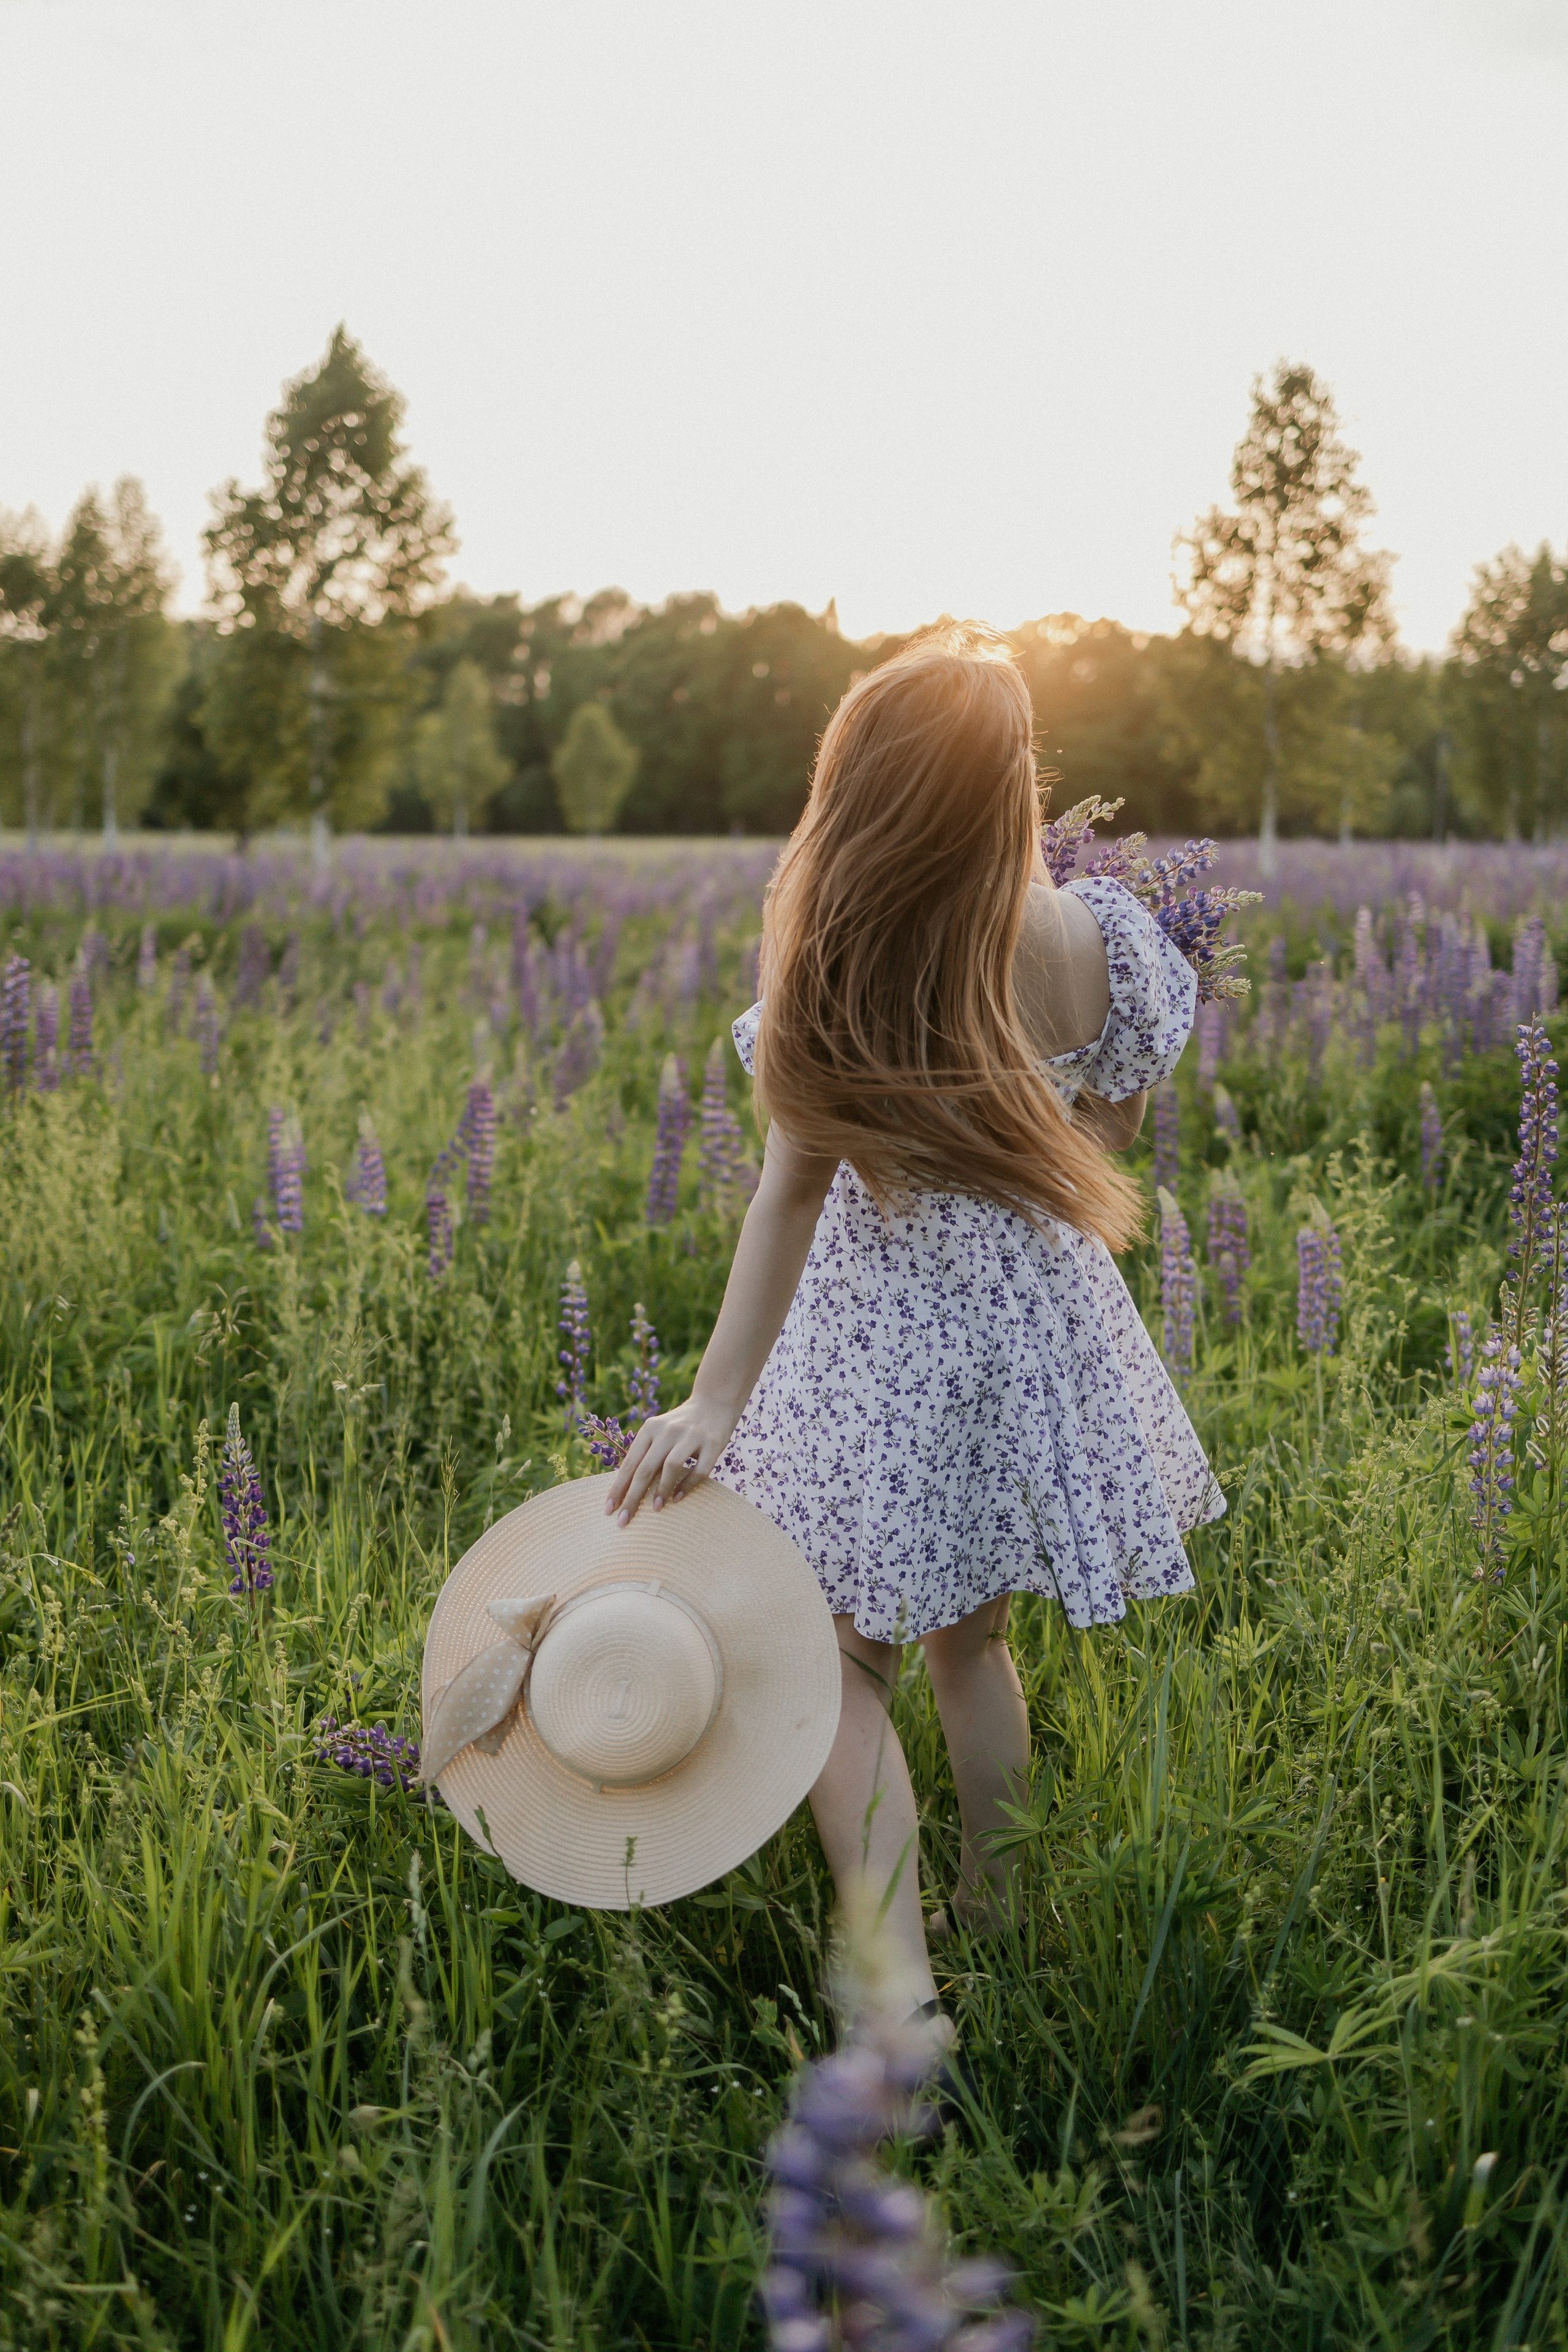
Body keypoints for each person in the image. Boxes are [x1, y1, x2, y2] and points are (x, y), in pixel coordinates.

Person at [605, 625, 1222, 2015]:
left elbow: (787, 1196)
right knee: (973, 1645)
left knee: (834, 1661)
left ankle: (899, 1987)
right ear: (1009, 789)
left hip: (878, 1337)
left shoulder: (841, 965)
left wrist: (714, 1399)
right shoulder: (1100, 939)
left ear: (863, 795)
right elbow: (1113, 1129)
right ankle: (996, 1920)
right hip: (1033, 1331)